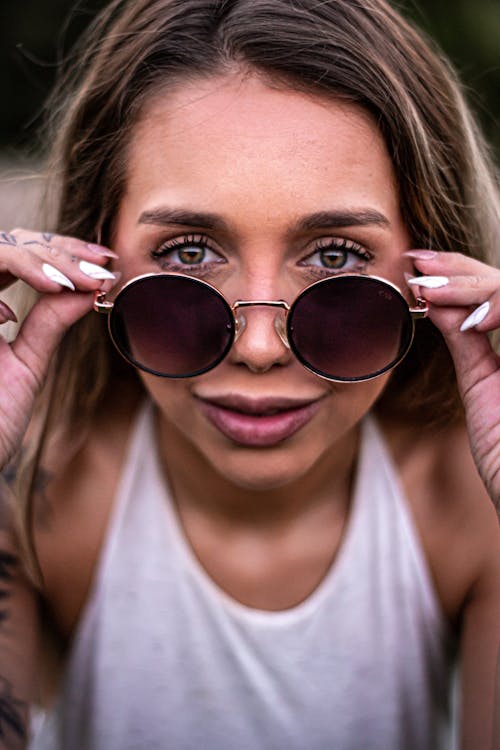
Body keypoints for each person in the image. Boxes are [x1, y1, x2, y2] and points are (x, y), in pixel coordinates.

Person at [0, 0, 498, 748]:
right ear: (94, 258)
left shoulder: (470, 507)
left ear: (433, 263)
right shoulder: (38, 492)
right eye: (189, 252)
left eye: (335, 255)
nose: (260, 345)